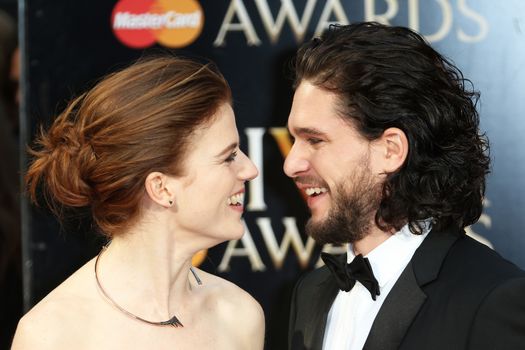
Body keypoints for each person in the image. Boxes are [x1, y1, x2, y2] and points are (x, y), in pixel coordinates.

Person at [285, 22, 525, 350]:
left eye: (315, 139)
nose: (290, 164)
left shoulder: (490, 298)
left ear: (390, 150)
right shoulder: (310, 294)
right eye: (293, 140)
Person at [12, 56, 265, 349]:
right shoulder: (53, 335)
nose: (250, 170)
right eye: (228, 157)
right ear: (161, 187)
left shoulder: (238, 316)